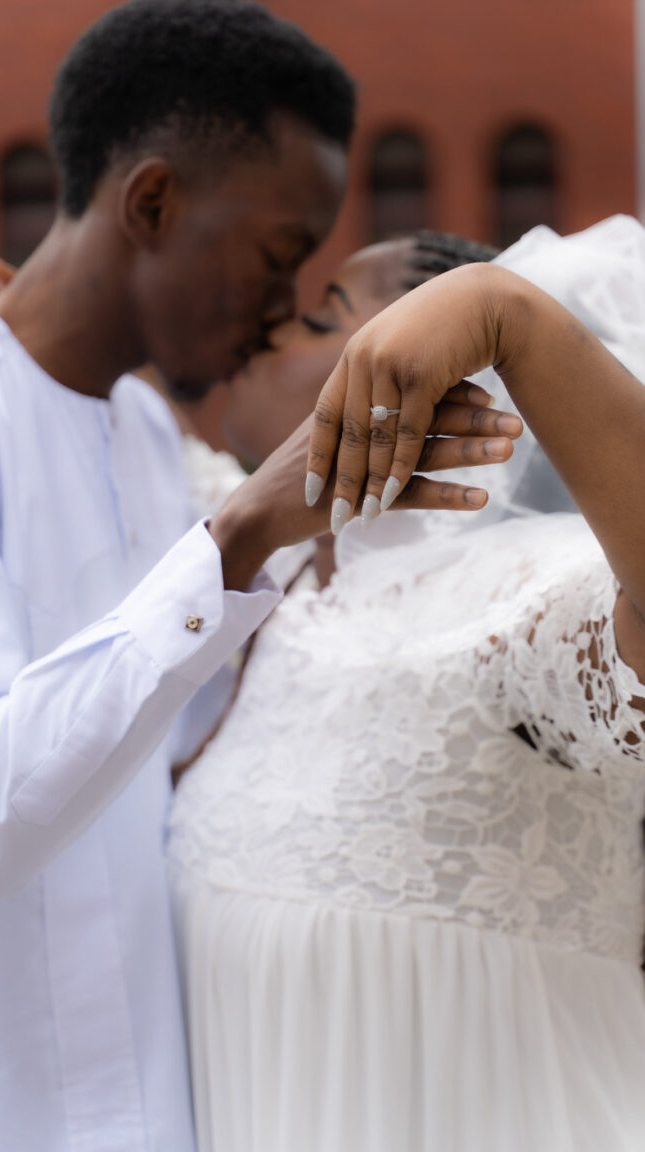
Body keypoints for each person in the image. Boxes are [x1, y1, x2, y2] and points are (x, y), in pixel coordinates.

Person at [0, 3, 520, 1151]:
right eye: (279, 254)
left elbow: (181, 750)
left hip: (171, 1106)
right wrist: (233, 539)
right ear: (155, 203)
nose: (284, 304)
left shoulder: (138, 426)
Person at [168, 217, 645, 1151]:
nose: (273, 330)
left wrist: (510, 313)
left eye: (325, 317)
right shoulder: (290, 582)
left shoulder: (514, 596)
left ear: (447, 377)